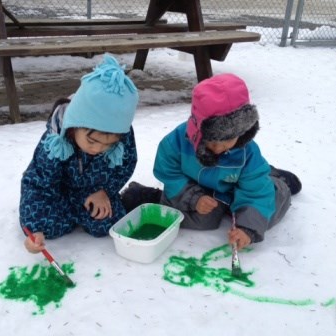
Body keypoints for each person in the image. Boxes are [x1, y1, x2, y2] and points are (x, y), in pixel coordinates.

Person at [121, 73, 301, 250]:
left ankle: (277, 179)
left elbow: (257, 192)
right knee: (199, 219)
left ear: (242, 132)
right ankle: (153, 197)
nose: (219, 148)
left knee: (267, 210)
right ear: (198, 131)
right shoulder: (175, 143)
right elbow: (169, 172)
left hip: (243, 185)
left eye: (227, 142)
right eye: (213, 141)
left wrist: (247, 229)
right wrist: (194, 198)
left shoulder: (248, 153)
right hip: (202, 188)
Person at [20, 54, 139, 254]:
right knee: (47, 225)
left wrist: (105, 191)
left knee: (107, 224)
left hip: (94, 191)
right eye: (92, 141)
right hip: (56, 191)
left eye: (108, 145)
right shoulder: (56, 140)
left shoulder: (121, 135)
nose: (98, 149)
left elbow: (125, 165)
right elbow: (39, 182)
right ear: (74, 126)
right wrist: (35, 230)